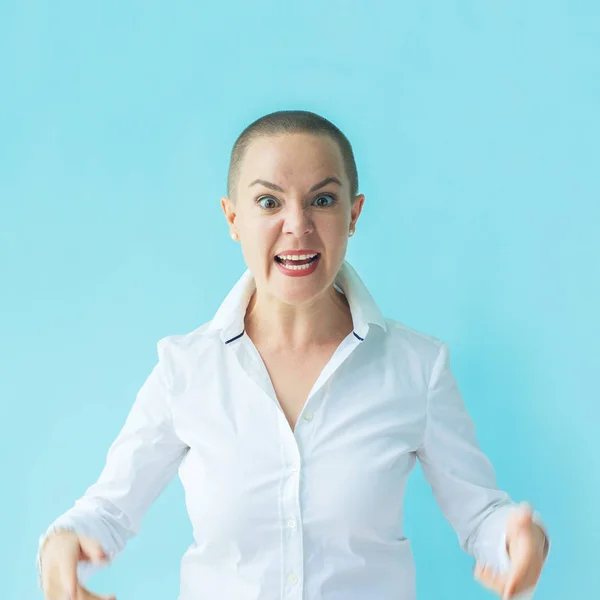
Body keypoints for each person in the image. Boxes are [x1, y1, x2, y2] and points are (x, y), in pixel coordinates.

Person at [36, 110, 550, 600]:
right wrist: (63, 542)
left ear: (354, 214)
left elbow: (483, 516)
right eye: (268, 203)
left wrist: (519, 541)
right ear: (232, 217)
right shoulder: (184, 370)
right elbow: (105, 511)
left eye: (322, 200)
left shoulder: (417, 367)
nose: (298, 225)